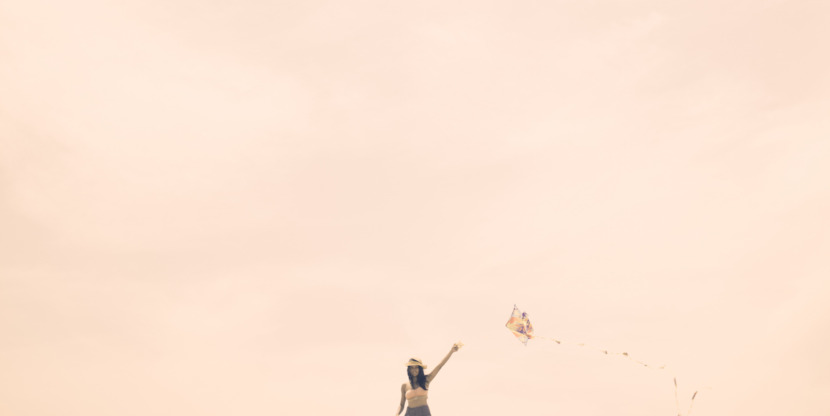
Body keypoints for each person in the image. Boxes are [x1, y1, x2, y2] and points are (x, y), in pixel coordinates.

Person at [396, 343, 461, 416]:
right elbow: (401, 404)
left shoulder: (426, 379)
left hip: (424, 412)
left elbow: (440, 366)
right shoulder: (404, 386)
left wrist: (451, 351)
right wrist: (397, 414)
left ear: (420, 369)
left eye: (416, 367)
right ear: (409, 370)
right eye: (412, 367)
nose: (414, 370)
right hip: (409, 413)